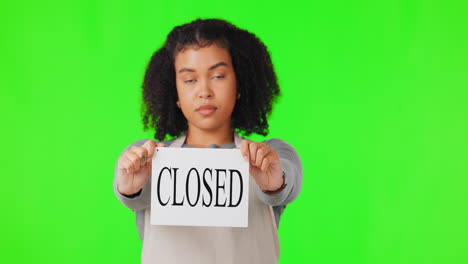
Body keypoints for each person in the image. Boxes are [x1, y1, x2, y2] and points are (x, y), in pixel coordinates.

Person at [113, 18, 302, 264]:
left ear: (240, 83)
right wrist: (130, 185)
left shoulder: (271, 156)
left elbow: (286, 181)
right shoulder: (147, 158)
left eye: (218, 76)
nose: (204, 91)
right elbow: (128, 191)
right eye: (190, 80)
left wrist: (274, 181)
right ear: (175, 92)